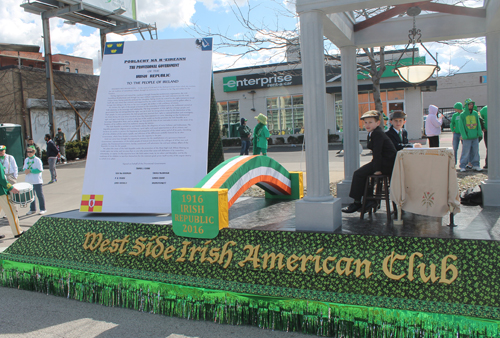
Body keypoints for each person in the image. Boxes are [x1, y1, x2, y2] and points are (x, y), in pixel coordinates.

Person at [342, 110, 397, 213]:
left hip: (386, 164)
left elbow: (378, 153)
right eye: (366, 122)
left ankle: (357, 203)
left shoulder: (377, 134)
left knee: (358, 174)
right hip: (383, 162)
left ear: (377, 123)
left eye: (370, 122)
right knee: (362, 173)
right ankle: (369, 200)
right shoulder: (373, 133)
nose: (367, 124)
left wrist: (377, 169)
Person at [0, 158, 22, 239]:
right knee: (11, 212)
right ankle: (18, 232)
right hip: (1, 192)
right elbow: (2, 179)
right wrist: (10, 187)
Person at [458, 98, 482, 172]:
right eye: (470, 104)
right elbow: (461, 126)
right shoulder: (462, 115)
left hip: (475, 136)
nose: (471, 105)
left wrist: (479, 133)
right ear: (466, 105)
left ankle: (476, 165)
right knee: (465, 151)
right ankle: (462, 165)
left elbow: (478, 124)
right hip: (467, 137)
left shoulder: (475, 113)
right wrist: (464, 135)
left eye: (472, 104)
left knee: (475, 151)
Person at [24, 146, 46, 215]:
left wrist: (30, 170)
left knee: (39, 195)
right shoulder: (26, 160)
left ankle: (43, 209)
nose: (29, 153)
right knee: (31, 196)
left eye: (31, 151)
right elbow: (24, 168)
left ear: (34, 152)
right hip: (29, 181)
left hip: (37, 181)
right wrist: (26, 170)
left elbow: (40, 169)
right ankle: (32, 209)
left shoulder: (37, 160)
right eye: (28, 152)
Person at [450, 102, 463, 167]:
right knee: (455, 148)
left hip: (463, 133)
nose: (455, 109)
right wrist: (453, 130)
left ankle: (463, 162)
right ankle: (454, 162)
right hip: (456, 133)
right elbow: (452, 123)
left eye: (456, 108)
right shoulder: (455, 115)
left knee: (465, 148)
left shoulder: (463, 114)